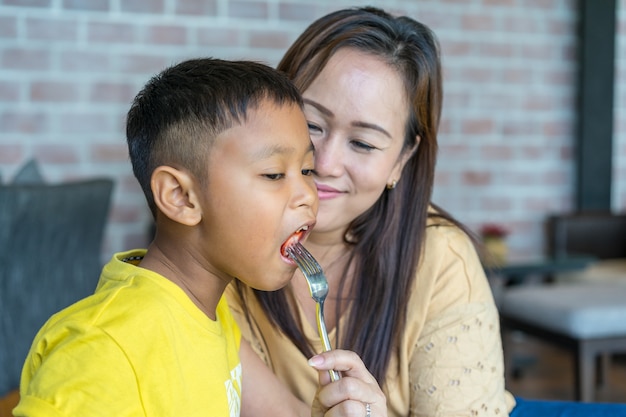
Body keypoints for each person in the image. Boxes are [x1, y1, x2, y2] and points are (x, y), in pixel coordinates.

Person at [13, 57, 374, 417]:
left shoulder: (204, 307)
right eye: (273, 174)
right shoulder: (102, 350)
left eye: (306, 169)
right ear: (180, 197)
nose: (308, 195)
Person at [226, 7, 516, 417]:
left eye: (362, 143)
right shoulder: (225, 244)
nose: (325, 162)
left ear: (402, 159)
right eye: (311, 124)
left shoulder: (441, 261)